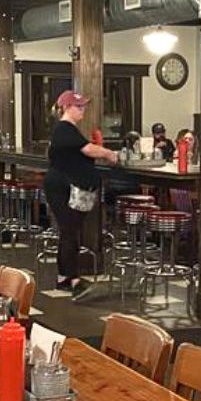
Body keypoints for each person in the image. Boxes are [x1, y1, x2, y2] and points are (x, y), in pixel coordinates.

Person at [44, 90, 117, 298]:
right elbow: (88, 150)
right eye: (79, 106)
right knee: (69, 231)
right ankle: (72, 279)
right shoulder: (65, 128)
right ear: (66, 108)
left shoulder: (67, 129)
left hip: (64, 186)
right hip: (62, 188)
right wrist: (110, 154)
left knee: (69, 231)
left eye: (84, 106)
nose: (83, 110)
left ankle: (65, 277)